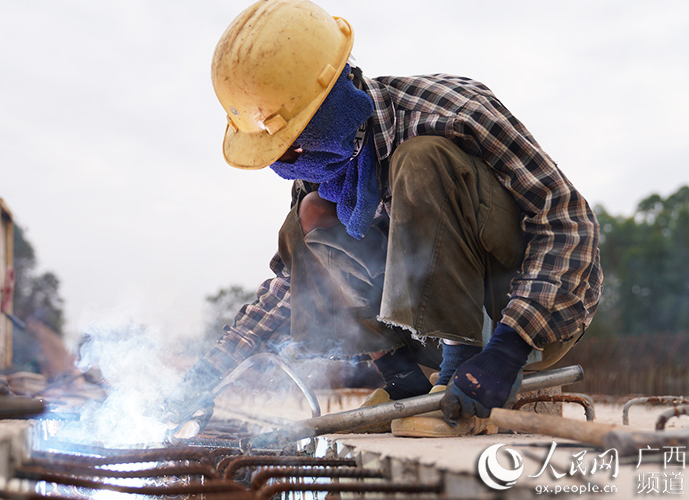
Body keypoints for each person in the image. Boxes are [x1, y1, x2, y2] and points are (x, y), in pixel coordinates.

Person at [163, 0, 602, 435]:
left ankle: (463, 361)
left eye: (295, 142)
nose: (292, 160)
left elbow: (567, 221)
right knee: (309, 215)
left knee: (422, 159)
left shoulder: (445, 110)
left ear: (332, 105)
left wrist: (508, 349)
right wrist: (202, 380)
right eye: (282, 152)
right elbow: (289, 285)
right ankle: (404, 380)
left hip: (523, 321)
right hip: (423, 337)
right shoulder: (324, 169)